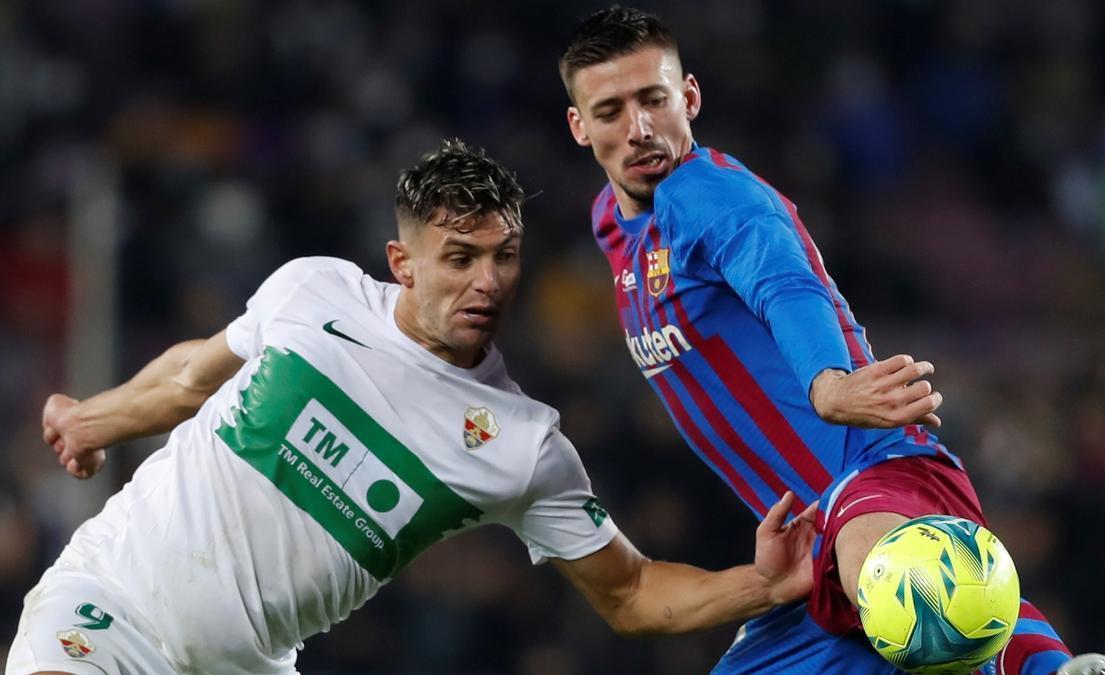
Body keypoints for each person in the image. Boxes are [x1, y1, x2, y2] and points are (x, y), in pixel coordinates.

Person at [7, 139, 818, 675]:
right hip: (107, 603)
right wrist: (95, 418)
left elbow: (631, 592)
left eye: (503, 258)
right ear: (402, 261)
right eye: (459, 258)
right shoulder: (313, 290)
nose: (486, 282)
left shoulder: (524, 444)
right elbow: (192, 377)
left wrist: (760, 583)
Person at [559, 8, 1105, 675]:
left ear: (688, 96)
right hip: (806, 559)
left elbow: (784, 285)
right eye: (610, 111)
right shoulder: (614, 225)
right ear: (579, 126)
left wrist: (827, 381)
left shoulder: (710, 196)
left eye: (654, 99)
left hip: (874, 469)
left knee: (901, 578)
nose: (639, 128)